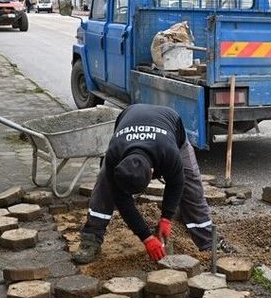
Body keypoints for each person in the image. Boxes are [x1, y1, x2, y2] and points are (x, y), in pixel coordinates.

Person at [73, 104, 214, 264]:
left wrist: (166, 218)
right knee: (104, 185)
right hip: (130, 118)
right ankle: (91, 238)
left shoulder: (169, 152)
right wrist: (146, 238)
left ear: (153, 171)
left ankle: (208, 241)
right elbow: (123, 203)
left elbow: (176, 183)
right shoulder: (114, 154)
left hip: (170, 126)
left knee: (191, 185)